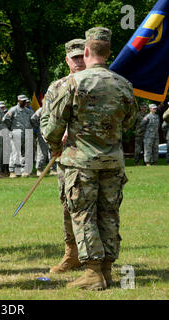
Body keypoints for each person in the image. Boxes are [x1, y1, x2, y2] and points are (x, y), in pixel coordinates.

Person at [43, 27, 138, 290]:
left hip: (80, 162)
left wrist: (55, 146)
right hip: (112, 162)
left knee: (83, 215)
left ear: (86, 52)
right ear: (109, 53)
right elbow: (131, 121)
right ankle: (107, 270)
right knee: (109, 214)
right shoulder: (123, 84)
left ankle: (93, 272)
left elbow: (53, 127)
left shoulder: (74, 83)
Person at [40, 39, 86, 274]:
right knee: (68, 204)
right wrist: (54, 140)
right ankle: (72, 253)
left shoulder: (99, 84)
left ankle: (99, 257)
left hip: (95, 157)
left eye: (82, 56)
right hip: (67, 158)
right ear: (67, 61)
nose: (79, 62)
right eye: (74, 58)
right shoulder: (56, 87)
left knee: (101, 208)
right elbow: (45, 120)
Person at [2, 94, 34, 177]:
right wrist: (11, 129)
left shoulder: (28, 111)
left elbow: (33, 120)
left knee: (25, 152)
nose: (24, 102)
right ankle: (12, 171)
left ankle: (23, 171)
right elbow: (5, 119)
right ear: (19, 101)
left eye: (25, 101)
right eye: (22, 101)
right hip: (16, 134)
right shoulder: (13, 110)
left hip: (26, 134)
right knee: (15, 153)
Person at [30, 107, 49, 176]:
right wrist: (38, 127)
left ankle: (53, 169)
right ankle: (39, 169)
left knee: (53, 150)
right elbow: (33, 118)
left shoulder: (55, 107)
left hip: (53, 132)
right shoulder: (42, 109)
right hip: (43, 133)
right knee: (42, 151)